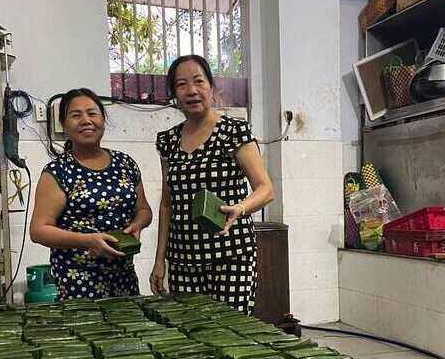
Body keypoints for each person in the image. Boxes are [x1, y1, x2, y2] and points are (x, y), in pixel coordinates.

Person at [151, 55, 274, 313]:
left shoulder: (234, 131)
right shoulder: (167, 141)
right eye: (182, 84)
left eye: (198, 81)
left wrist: (240, 208)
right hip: (184, 259)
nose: (192, 90)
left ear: (211, 87)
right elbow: (167, 205)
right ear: (174, 93)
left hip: (231, 256)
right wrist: (159, 260)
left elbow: (265, 189)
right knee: (190, 336)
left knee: (232, 333)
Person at [30, 88, 152, 300]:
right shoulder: (58, 171)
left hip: (124, 276)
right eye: (76, 115)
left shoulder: (125, 164)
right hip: (79, 281)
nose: (86, 120)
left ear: (103, 120)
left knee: (128, 330)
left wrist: (138, 224)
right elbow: (38, 230)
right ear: (64, 125)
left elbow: (144, 210)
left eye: (92, 113)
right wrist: (87, 240)